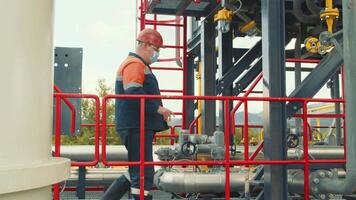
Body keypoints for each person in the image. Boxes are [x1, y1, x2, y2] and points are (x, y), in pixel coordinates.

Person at [101, 29, 173, 200]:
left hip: (136, 125)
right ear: (146, 45)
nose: (157, 54)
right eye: (157, 49)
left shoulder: (139, 64)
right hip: (136, 125)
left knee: (135, 170)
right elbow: (133, 92)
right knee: (143, 174)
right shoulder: (135, 64)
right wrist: (157, 108)